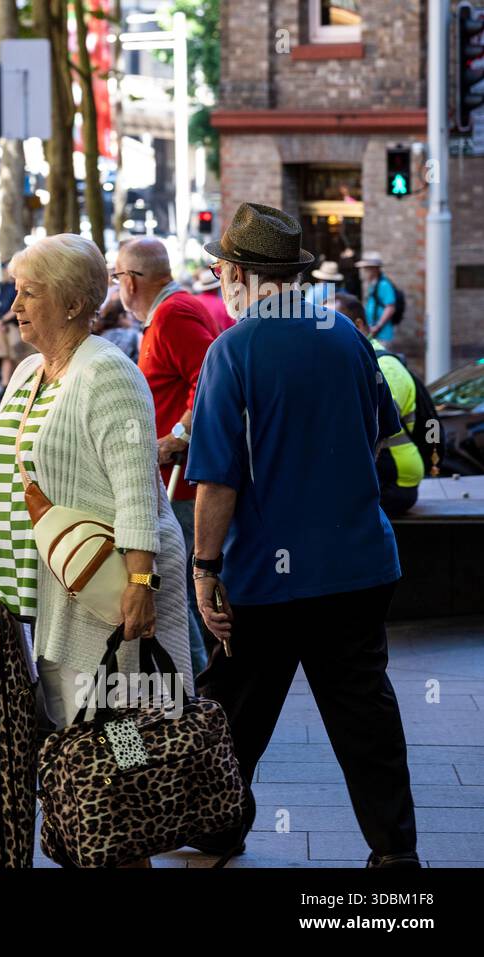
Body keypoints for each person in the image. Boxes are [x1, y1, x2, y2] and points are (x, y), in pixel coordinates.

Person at [0, 235, 193, 869]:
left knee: (121, 731)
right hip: (63, 583)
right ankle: (109, 844)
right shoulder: (32, 374)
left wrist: (140, 586)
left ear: (70, 303)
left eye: (28, 293)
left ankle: (128, 849)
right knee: (76, 723)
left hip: (114, 583)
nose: (14, 306)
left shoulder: (108, 372)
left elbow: (135, 490)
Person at [186, 202, 418, 868]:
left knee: (234, 715)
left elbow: (219, 484)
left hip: (265, 579)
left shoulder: (233, 350)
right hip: (359, 565)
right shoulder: (344, 332)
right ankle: (396, 854)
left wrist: (206, 569)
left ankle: (221, 830)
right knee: (364, 717)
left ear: (236, 272)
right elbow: (376, 430)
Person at [114, 237, 220, 675]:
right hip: (175, 476)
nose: (116, 286)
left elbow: (209, 380)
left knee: (175, 588)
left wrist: (177, 435)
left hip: (179, 479)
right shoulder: (170, 314)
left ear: (133, 281)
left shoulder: (174, 314)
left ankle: (199, 691)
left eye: (117, 276)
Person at [334, 291, 425, 517]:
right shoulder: (356, 360)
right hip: (378, 474)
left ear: (359, 324)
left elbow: (376, 426)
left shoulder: (385, 366)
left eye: (333, 323)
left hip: (394, 481)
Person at [357, 252, 399, 344]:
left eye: (367, 268)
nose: (364, 271)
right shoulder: (374, 284)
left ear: (374, 269)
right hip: (375, 332)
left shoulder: (384, 284)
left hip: (382, 334)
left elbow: (390, 307)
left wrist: (378, 326)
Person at [93, 289, 140, 363]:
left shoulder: (102, 335)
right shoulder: (127, 335)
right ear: (121, 316)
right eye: (130, 314)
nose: (132, 318)